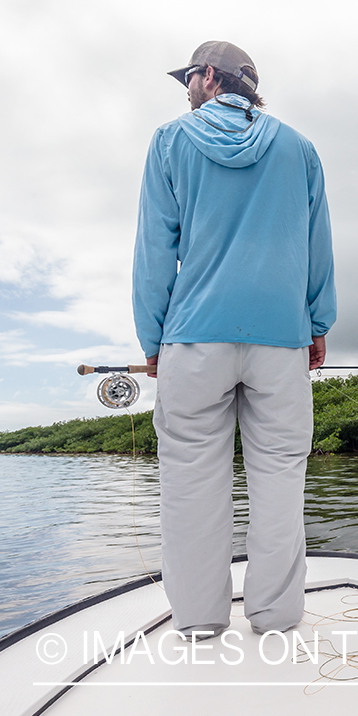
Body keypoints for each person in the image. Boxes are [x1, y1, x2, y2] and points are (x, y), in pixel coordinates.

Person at [132, 41, 336, 639]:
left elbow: (154, 252)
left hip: (193, 339)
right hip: (282, 342)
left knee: (192, 485)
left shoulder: (169, 142)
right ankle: (275, 620)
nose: (185, 90)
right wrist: (317, 323)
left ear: (210, 76)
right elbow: (316, 243)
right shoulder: (300, 148)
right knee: (279, 482)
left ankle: (198, 623)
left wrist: (153, 339)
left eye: (188, 79)